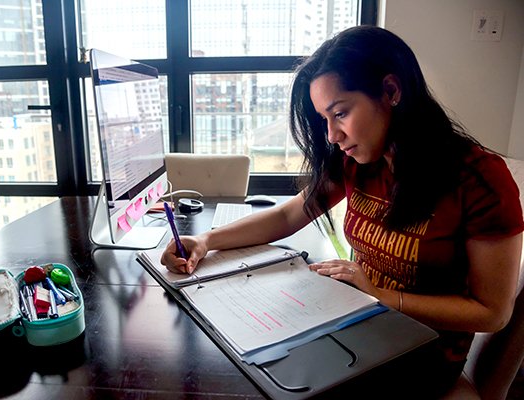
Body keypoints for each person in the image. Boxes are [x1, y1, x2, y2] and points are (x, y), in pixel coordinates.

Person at [161, 25, 524, 398]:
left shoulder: (479, 180)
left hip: (422, 356)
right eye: (325, 120)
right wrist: (205, 240)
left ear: (391, 91)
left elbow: (493, 312)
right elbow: (291, 215)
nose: (332, 135)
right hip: (361, 329)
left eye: (341, 113)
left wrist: (381, 296)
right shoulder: (361, 160)